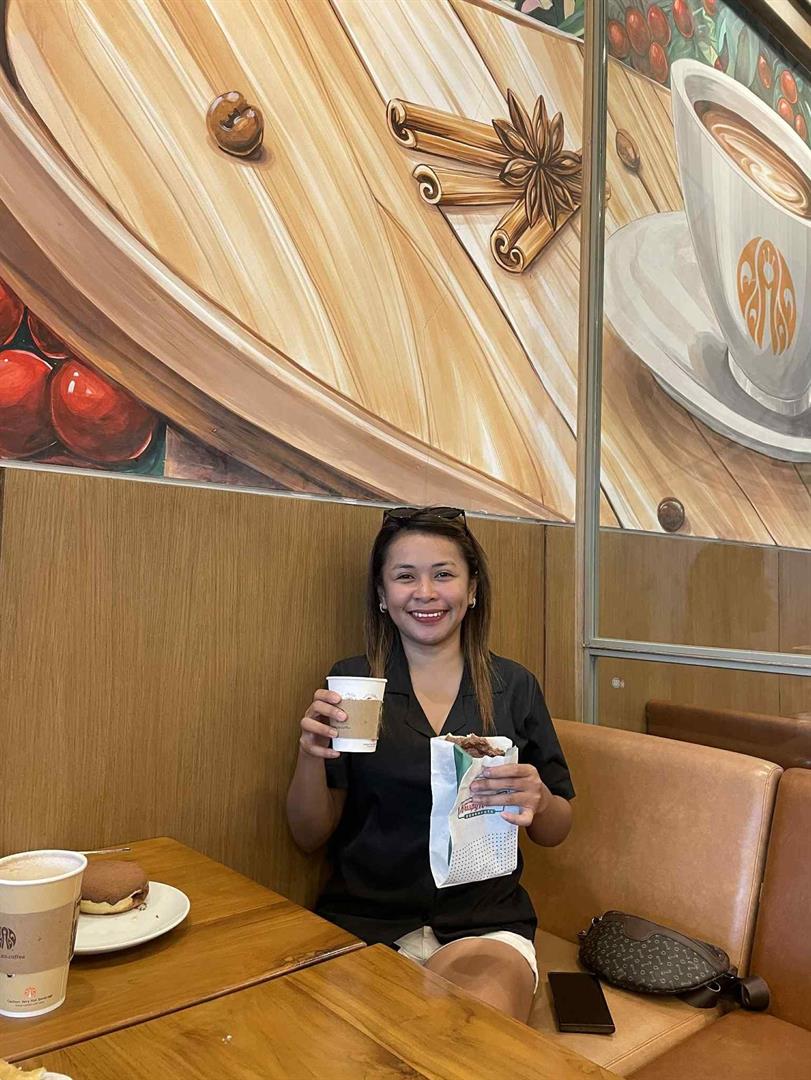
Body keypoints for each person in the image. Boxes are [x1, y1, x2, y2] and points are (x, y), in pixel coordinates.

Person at [286, 506, 574, 1022]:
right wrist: (310, 755)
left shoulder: (514, 686)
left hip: (484, 924)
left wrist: (541, 799)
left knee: (468, 1036)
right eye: (405, 577)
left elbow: (556, 830)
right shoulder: (354, 684)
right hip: (365, 923)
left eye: (443, 574)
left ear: (472, 589)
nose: (425, 592)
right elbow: (309, 835)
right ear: (381, 594)